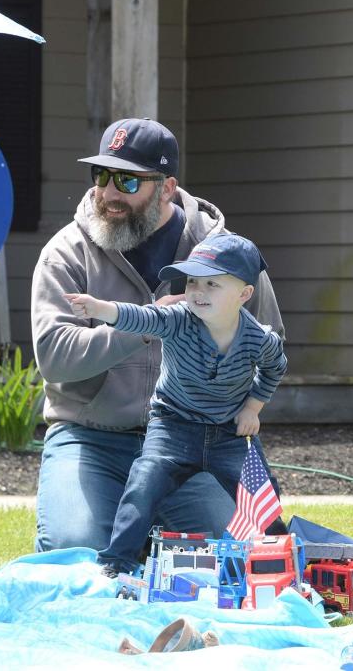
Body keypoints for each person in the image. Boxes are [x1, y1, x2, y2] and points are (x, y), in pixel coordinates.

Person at [31, 117, 285, 553]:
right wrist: (145, 325)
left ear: (167, 188)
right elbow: (55, 357)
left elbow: (270, 341)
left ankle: (150, 536)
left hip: (195, 441)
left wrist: (234, 407)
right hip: (93, 439)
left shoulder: (229, 256)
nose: (108, 193)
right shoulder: (65, 253)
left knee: (241, 553)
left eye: (128, 181)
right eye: (102, 176)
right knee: (76, 551)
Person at [64, 233, 287, 574]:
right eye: (193, 282)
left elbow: (275, 368)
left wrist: (253, 407)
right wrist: (101, 309)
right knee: (144, 483)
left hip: (229, 433)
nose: (198, 292)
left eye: (212, 284)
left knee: (261, 495)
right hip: (173, 426)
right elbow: (142, 317)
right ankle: (116, 563)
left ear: (244, 294)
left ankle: (280, 563)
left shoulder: (259, 339)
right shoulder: (178, 319)